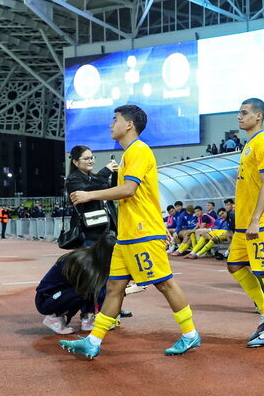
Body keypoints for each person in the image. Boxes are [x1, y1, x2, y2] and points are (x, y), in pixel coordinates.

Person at [61, 104, 201, 358]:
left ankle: (190, 334)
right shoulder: (128, 154)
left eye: (115, 119)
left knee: (164, 284)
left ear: (129, 124)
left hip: (142, 232)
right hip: (128, 235)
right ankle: (94, 340)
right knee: (114, 287)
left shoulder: (139, 151)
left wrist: (88, 194)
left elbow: (128, 190)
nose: (111, 124)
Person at [226, 98, 264, 347]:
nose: (239, 117)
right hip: (244, 224)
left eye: (244, 113)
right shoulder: (249, 144)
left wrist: (255, 220)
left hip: (261, 222)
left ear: (258, 116)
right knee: (234, 265)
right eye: (239, 113)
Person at [37, 233, 115, 335]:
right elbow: (97, 293)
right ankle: (53, 317)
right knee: (88, 290)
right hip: (45, 299)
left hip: (61, 293)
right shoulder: (84, 263)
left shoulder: (92, 257)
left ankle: (88, 319)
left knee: (94, 287)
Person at [64, 146, 118, 247]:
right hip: (88, 231)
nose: (90, 161)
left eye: (92, 157)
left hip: (105, 228)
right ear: (75, 162)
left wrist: (115, 174)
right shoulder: (73, 179)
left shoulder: (95, 177)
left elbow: (112, 192)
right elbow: (87, 190)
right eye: (86, 158)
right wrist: (106, 171)